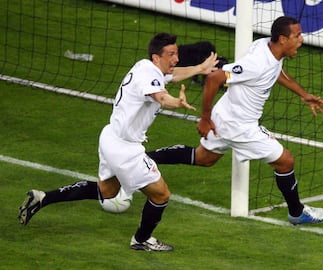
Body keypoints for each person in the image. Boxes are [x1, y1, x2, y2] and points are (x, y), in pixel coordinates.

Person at [18, 32, 219, 252]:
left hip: (110, 137)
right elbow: (160, 97)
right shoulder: (149, 77)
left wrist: (200, 68)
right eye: (171, 54)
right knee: (161, 195)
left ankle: (43, 198)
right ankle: (142, 240)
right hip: (126, 148)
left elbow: (173, 75)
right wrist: (177, 102)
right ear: (156, 57)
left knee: (107, 191)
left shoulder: (146, 67)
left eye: (177, 53)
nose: (176, 59)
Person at [146, 16, 323, 225]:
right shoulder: (256, 64)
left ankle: (145, 159)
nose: (301, 39)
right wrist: (204, 118)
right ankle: (297, 212)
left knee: (204, 158)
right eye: (297, 35)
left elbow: (276, 71)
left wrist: (302, 93)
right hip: (239, 126)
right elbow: (214, 78)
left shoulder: (265, 46)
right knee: (285, 160)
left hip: (225, 115)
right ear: (282, 39)